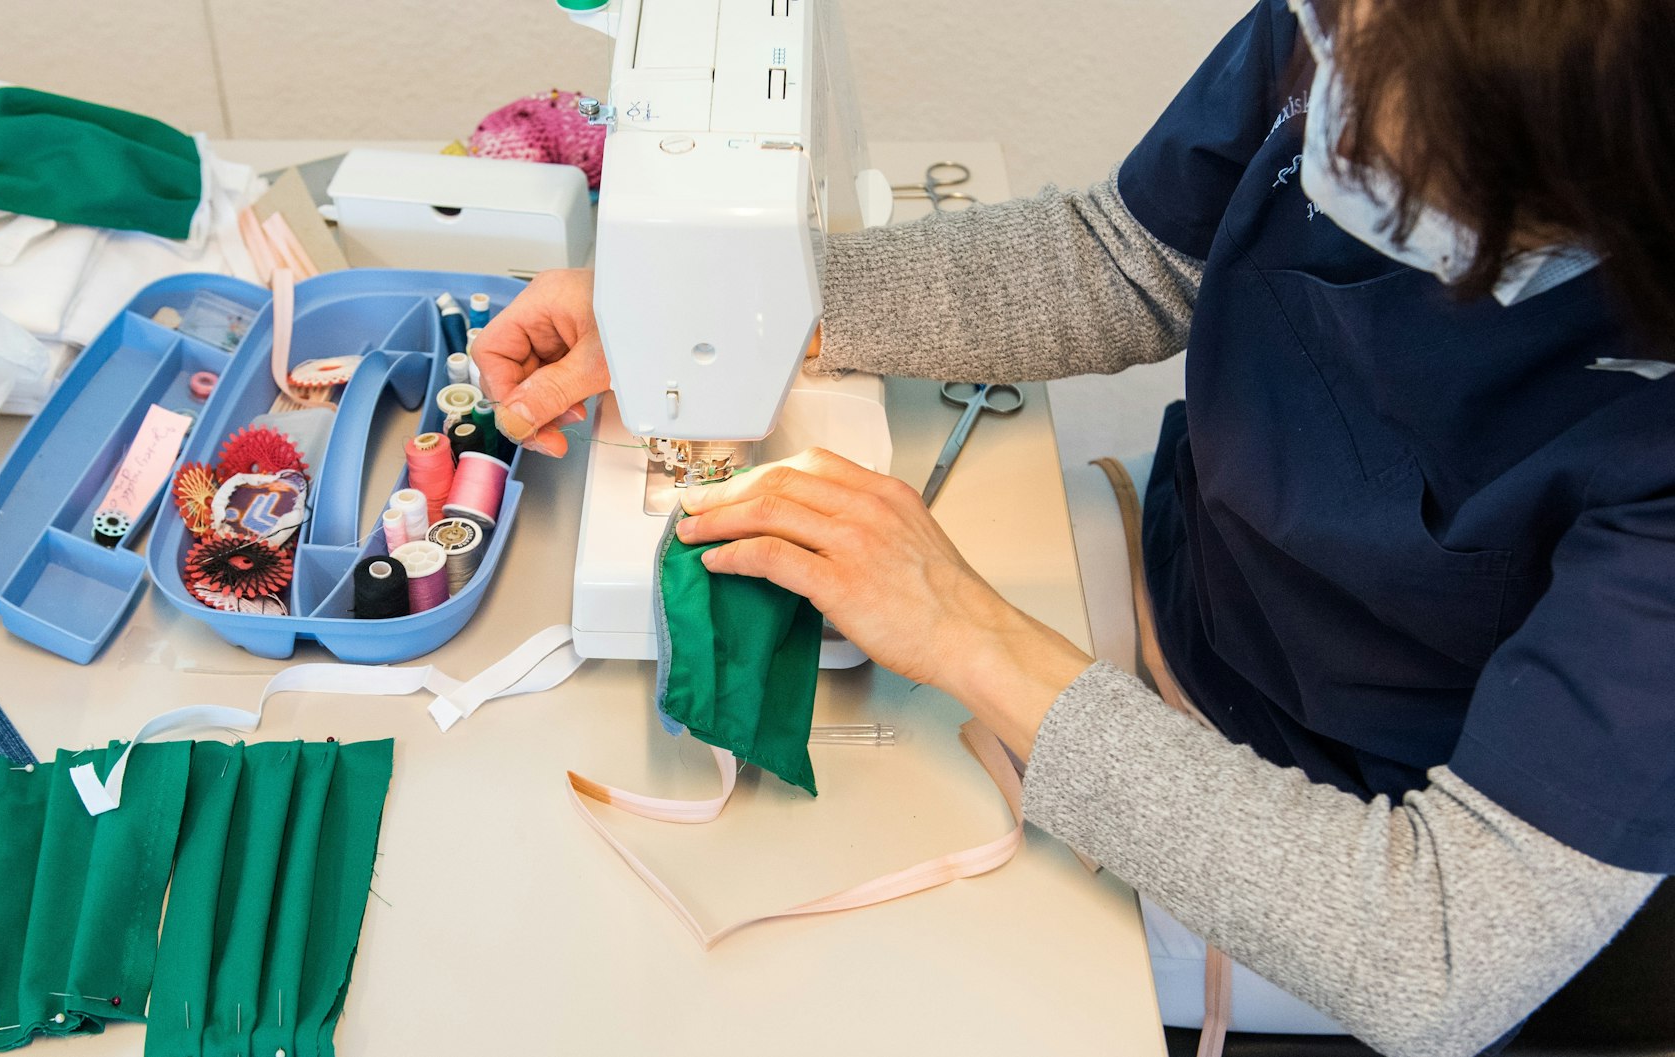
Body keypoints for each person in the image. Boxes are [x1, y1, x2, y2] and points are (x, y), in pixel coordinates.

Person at [473, 2, 1674, 1054]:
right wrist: (729, 309)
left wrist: (969, 635)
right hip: (1183, 599)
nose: (1328, 134)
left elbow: (1436, 955)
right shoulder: (1374, 26)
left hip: (1349, 845)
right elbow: (1130, 256)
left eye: (1405, 160)